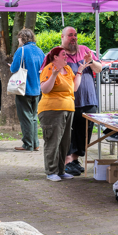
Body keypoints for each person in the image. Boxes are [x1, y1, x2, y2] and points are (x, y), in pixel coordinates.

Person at [38, 46, 89, 181]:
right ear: (55, 57)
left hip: (68, 109)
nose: (66, 56)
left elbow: (74, 87)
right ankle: (51, 171)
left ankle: (60, 170)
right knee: (53, 141)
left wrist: (79, 72)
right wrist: (54, 75)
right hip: (52, 110)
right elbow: (45, 89)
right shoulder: (49, 69)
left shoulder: (67, 69)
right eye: (63, 54)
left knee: (64, 142)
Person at [61, 27, 102, 176]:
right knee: (67, 132)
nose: (74, 38)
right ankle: (67, 161)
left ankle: (75, 159)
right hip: (67, 101)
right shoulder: (58, 53)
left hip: (88, 100)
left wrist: (90, 61)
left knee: (85, 132)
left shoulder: (85, 50)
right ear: (63, 37)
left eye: (75, 35)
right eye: (70, 35)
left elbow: (99, 69)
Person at [10, 28, 45, 152]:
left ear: (22, 38)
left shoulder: (22, 50)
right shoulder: (40, 51)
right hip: (38, 89)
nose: (18, 40)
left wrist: (12, 66)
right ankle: (35, 143)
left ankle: (28, 144)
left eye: (19, 38)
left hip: (24, 88)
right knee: (34, 117)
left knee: (25, 117)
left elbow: (14, 68)